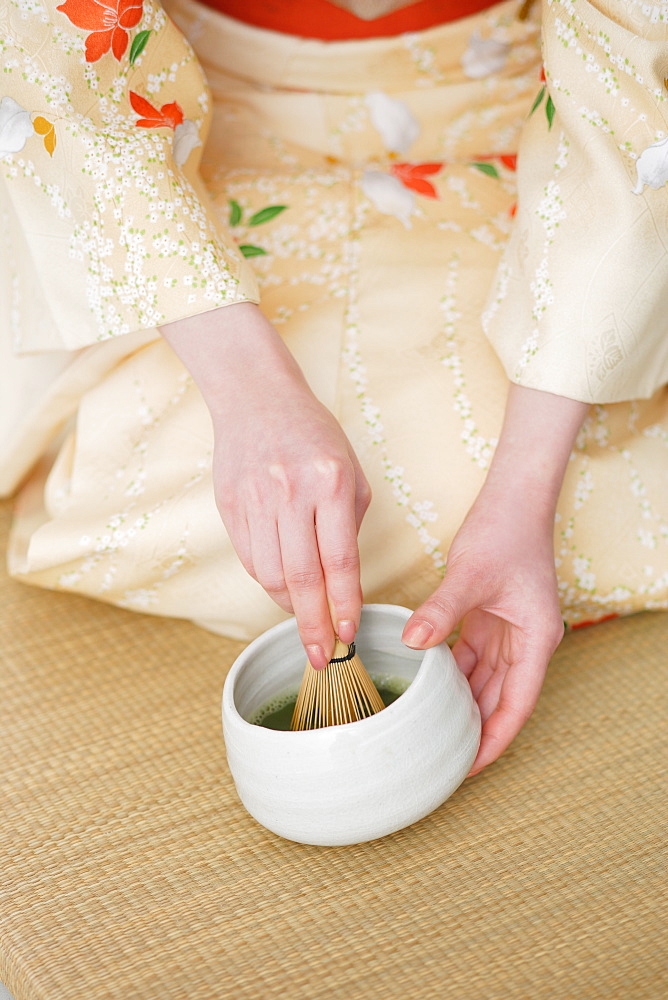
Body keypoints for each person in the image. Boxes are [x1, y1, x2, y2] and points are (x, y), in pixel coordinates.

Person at [1, 0, 667, 775]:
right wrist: (251, 398)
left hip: (514, 119)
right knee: (134, 457)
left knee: (513, 473)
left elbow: (631, 86)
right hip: (172, 136)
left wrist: (522, 494)